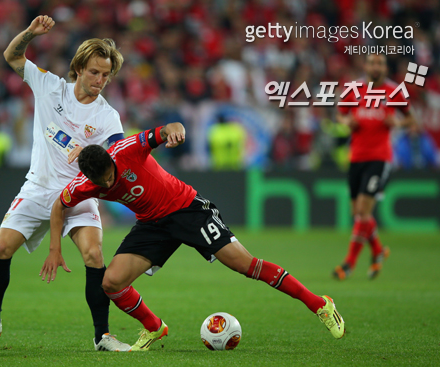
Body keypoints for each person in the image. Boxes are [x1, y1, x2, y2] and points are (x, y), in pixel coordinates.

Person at [41, 122, 346, 351]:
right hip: (152, 224)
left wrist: (177, 132)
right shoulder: (85, 184)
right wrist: (55, 247)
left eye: (110, 173)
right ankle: (154, 327)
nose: (109, 181)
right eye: (103, 180)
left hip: (187, 209)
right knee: (111, 282)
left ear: (110, 159)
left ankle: (320, 304)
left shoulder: (126, 150)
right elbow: (59, 206)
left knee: (245, 264)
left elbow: (170, 128)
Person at [0, 15, 131, 352]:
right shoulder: (50, 86)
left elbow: (117, 160)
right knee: (0, 249)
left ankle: (103, 336)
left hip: (79, 193)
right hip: (38, 187)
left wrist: (93, 155)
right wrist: (29, 33)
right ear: (80, 68)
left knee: (94, 254)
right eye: (95, 72)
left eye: (106, 74)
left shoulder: (107, 116)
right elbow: (12, 57)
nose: (100, 80)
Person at [333, 54, 416, 280]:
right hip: (356, 157)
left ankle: (348, 264)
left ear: (385, 67)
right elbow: (340, 115)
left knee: (362, 211)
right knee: (357, 213)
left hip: (379, 158)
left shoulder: (394, 92)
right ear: (366, 66)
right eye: (372, 63)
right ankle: (379, 251)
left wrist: (397, 123)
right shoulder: (354, 90)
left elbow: (411, 119)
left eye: (379, 63)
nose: (375, 66)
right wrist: (347, 122)